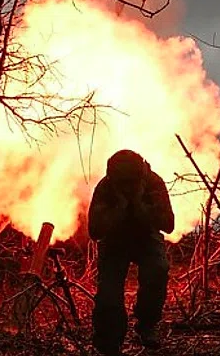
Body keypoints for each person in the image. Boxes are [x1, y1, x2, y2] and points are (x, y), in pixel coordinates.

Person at [88, 149, 175, 355]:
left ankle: (147, 324)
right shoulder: (106, 187)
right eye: (122, 183)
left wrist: (139, 205)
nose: (126, 187)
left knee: (158, 269)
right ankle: (109, 341)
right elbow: (94, 231)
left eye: (131, 182)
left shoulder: (153, 184)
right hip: (115, 242)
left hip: (146, 238)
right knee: (108, 294)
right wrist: (119, 207)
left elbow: (168, 224)